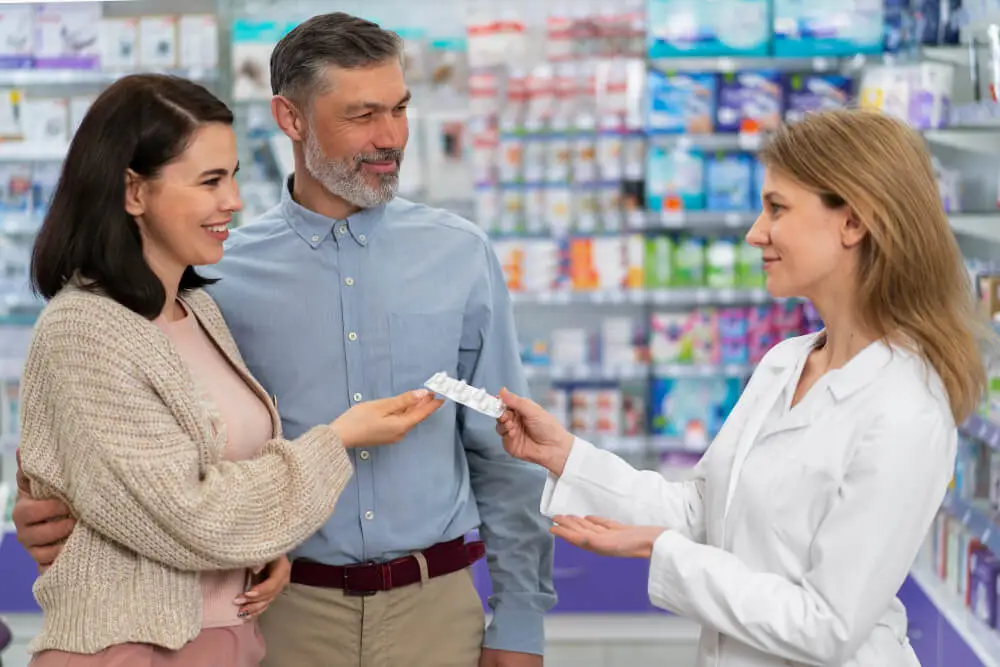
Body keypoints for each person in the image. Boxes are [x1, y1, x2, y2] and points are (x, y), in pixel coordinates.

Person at [13, 13, 555, 667]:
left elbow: (504, 456)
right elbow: (154, 451)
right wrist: (63, 506)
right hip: (277, 611)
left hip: (435, 609)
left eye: (400, 109)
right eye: (362, 114)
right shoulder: (213, 275)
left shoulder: (461, 255)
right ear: (290, 118)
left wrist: (520, 619)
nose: (391, 138)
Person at [494, 108, 989, 667]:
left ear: (854, 223)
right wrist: (565, 455)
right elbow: (703, 508)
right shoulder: (787, 362)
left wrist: (661, 552)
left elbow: (828, 626)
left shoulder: (905, 409)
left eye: (777, 208)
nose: (756, 232)